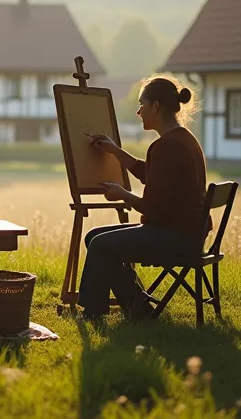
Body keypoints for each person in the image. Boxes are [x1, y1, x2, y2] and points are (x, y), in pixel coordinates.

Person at [77, 75, 210, 320]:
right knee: (94, 237)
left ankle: (95, 312)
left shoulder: (167, 146)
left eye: (141, 104)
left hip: (175, 236)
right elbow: (150, 173)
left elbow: (152, 208)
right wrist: (115, 151)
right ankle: (137, 305)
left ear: (155, 106)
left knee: (100, 245)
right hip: (187, 233)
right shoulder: (183, 139)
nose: (138, 112)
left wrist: (122, 194)